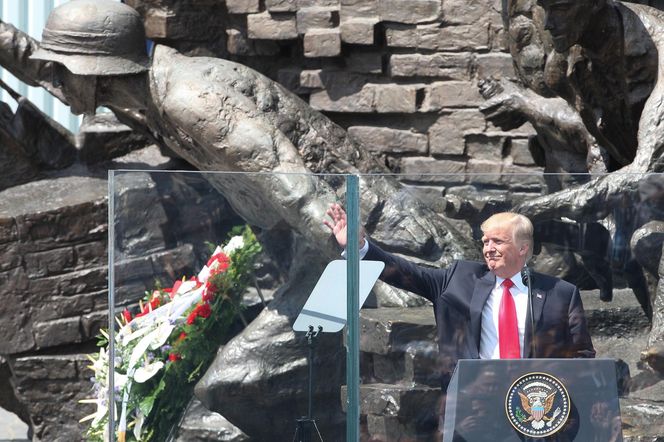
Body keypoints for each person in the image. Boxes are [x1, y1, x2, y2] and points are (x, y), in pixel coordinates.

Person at [324, 203, 596, 388]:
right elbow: (405, 272)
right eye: (485, 242)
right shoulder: (458, 280)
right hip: (473, 403)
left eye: (497, 241)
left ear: (523, 248)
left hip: (535, 407)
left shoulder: (560, 293)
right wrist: (360, 247)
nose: (488, 248)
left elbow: (582, 355)